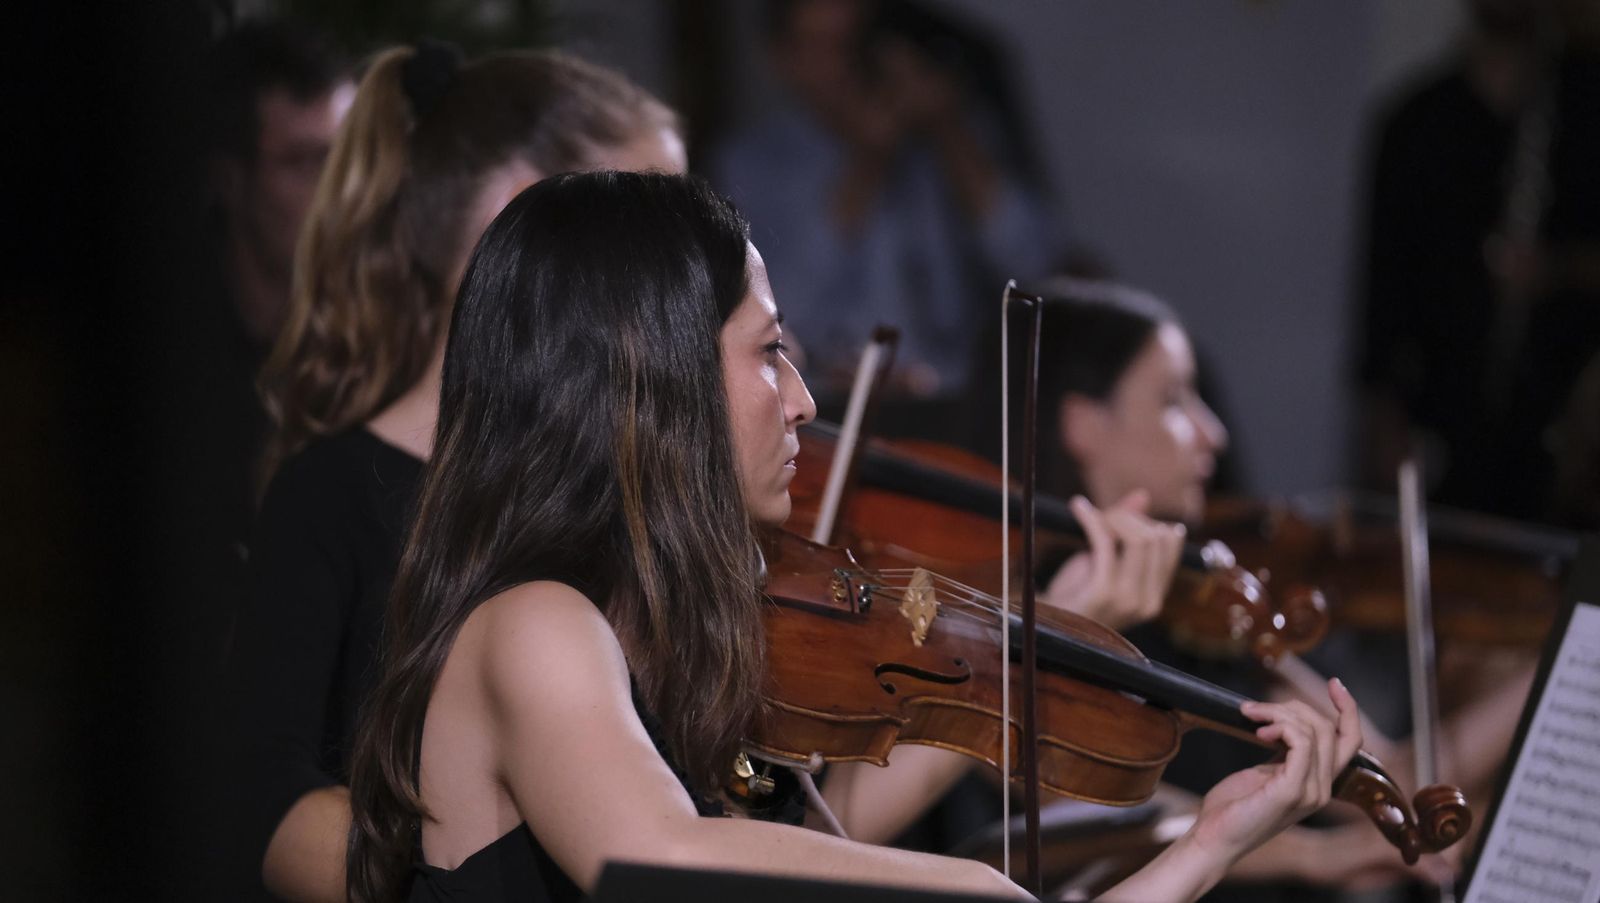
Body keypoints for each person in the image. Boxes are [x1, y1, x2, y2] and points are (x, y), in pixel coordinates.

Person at [345, 169, 1367, 902]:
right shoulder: (536, 625)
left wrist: (1215, 844)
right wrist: (964, 881)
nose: (801, 403)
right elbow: (649, 854)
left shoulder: (696, 660)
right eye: (769, 352)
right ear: (646, 380)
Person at [226, 44, 685, 902]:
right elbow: (268, 800)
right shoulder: (327, 493)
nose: (688, 286)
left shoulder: (625, 490)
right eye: (656, 238)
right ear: (523, 219)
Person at [980, 281, 1524, 897]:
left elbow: (1392, 774)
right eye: (1173, 401)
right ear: (1083, 425)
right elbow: (1099, 821)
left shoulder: (1210, 603)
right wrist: (1313, 854)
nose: (1213, 432)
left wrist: (1554, 662)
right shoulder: (1032, 614)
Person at [708, 0, 1057, 401]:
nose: (844, 64)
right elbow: (782, 314)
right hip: (827, 406)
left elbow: (1038, 267)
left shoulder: (948, 140)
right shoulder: (753, 164)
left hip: (957, 399)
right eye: (821, 45)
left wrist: (950, 130)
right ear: (782, 58)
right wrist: (867, 163)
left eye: (856, 42)